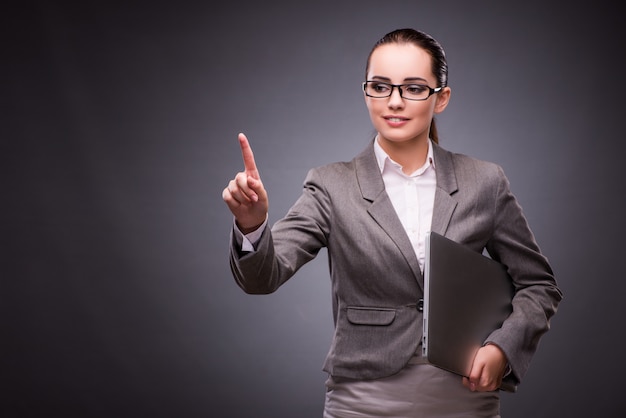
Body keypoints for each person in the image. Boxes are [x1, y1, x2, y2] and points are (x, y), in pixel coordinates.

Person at [222, 28, 562, 418]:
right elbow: (262, 277)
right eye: (381, 87)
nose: (395, 102)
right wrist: (253, 225)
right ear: (365, 91)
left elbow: (539, 285)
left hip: (464, 397)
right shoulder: (331, 184)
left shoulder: (484, 181)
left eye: (414, 88)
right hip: (362, 399)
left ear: (442, 98)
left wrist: (503, 347)